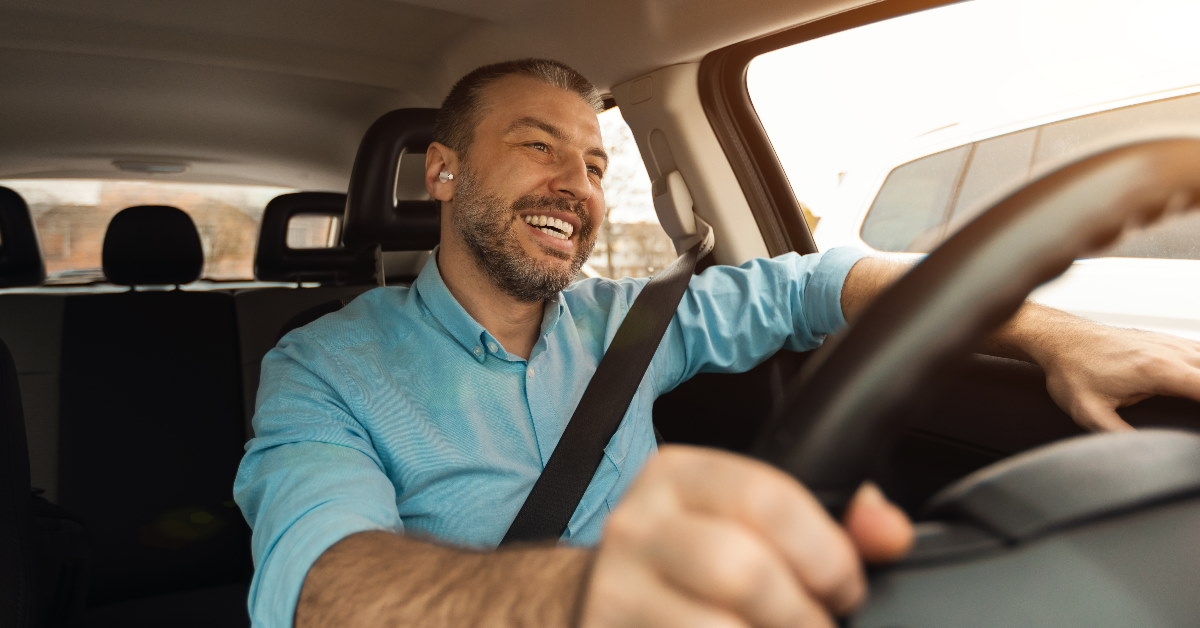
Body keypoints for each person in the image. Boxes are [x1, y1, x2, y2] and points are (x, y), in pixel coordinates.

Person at [234, 58, 1200, 627]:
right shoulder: (322, 365)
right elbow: (321, 582)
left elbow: (829, 280)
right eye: (538, 145)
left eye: (594, 161)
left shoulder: (637, 322)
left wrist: (1053, 334)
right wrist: (587, 598)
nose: (578, 182)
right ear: (441, 173)